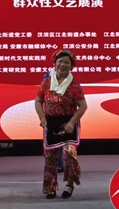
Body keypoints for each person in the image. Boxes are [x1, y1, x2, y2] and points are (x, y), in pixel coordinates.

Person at [35, 50, 87, 199]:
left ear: (71, 66)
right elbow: (38, 101)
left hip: (68, 124)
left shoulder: (74, 85)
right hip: (51, 123)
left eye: (66, 62)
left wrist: (72, 122)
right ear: (55, 63)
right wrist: (42, 118)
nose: (62, 65)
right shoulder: (46, 83)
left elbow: (83, 106)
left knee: (69, 153)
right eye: (60, 61)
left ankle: (70, 184)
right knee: (50, 157)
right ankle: (50, 188)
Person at [43, 68, 64, 173]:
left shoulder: (68, 77)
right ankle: (52, 164)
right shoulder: (47, 76)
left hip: (64, 115)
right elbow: (41, 98)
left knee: (62, 141)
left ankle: (61, 164)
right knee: (50, 141)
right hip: (50, 115)